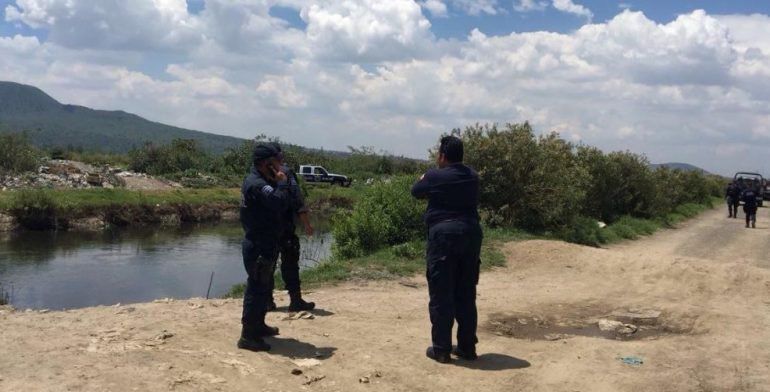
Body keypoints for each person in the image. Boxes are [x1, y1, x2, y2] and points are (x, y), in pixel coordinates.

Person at [411, 135, 483, 364]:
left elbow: (416, 191)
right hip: (471, 235)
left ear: (442, 156)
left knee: (442, 293)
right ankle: (467, 348)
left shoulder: (434, 176)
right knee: (466, 292)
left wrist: (425, 177)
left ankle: (441, 350)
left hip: (443, 237)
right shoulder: (473, 176)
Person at [238, 143, 290, 352]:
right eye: (277, 160)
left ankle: (258, 325)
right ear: (267, 163)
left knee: (263, 288)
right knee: (256, 289)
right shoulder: (258, 184)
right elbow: (279, 202)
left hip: (265, 243)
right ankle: (248, 336)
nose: (281, 164)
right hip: (258, 245)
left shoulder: (262, 180)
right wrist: (282, 184)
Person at [267, 142, 316, 312]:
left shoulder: (257, 174)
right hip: (285, 227)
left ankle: (267, 301)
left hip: (266, 228)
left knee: (267, 264)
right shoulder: (286, 173)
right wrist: (307, 224)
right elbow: (297, 200)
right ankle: (295, 300)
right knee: (290, 264)